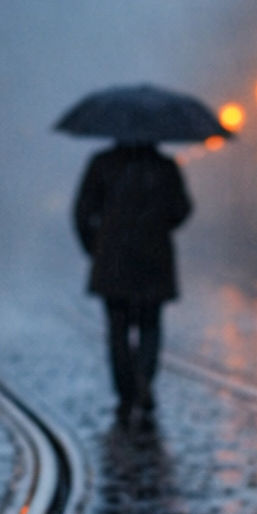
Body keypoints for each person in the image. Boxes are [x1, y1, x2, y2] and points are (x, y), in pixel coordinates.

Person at [73, 140, 192, 420]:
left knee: (118, 330)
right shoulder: (164, 166)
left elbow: (81, 212)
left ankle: (126, 393)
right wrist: (158, 225)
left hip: (113, 261)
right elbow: (182, 209)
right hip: (154, 259)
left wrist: (95, 246)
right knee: (150, 326)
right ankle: (143, 380)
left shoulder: (102, 163)